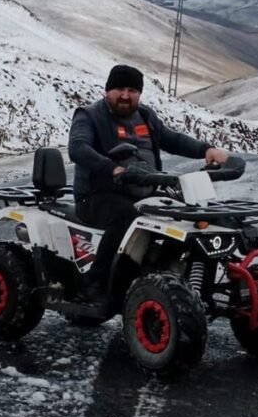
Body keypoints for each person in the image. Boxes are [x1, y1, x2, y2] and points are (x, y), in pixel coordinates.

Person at [68, 64, 229, 297]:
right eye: (119, 89)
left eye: (132, 90)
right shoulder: (90, 115)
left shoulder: (145, 116)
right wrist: (112, 168)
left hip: (144, 192)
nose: (125, 95)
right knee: (126, 218)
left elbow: (172, 139)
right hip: (97, 195)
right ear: (107, 91)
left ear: (139, 94)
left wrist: (206, 150)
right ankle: (96, 282)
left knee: (182, 215)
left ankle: (165, 273)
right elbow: (77, 147)